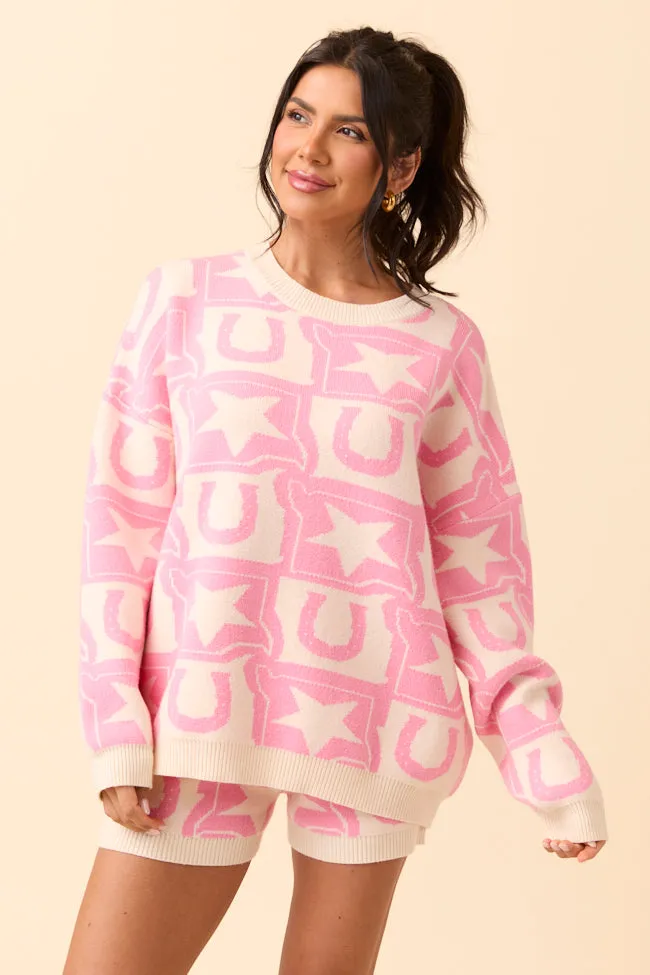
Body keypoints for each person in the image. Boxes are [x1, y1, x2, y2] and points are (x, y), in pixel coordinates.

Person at [63, 25, 608, 975]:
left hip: (380, 723)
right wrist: (115, 722)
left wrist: (540, 751)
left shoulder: (440, 345)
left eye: (348, 131)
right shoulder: (185, 301)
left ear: (400, 166)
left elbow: (479, 566)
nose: (307, 148)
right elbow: (122, 526)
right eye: (297, 115)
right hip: (199, 716)